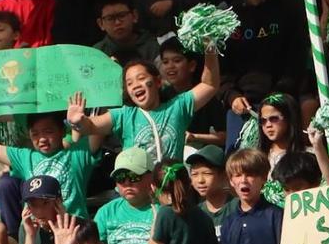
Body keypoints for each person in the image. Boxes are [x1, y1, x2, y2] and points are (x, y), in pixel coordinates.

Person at [70, 52, 222, 163]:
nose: (135, 85)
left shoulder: (176, 107)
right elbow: (89, 126)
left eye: (141, 78)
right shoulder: (124, 115)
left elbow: (209, 85)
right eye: (129, 83)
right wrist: (77, 121)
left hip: (171, 194)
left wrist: (210, 48)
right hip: (137, 194)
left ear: (157, 82)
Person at [92, 0, 161, 63]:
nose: (117, 22)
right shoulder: (96, 53)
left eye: (122, 15)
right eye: (110, 18)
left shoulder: (153, 48)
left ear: (134, 16)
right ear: (101, 24)